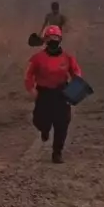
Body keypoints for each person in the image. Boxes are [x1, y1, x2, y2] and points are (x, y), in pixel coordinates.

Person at [24, 25, 82, 164]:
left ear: (60, 39)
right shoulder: (37, 58)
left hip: (61, 93)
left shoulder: (67, 57)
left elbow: (77, 73)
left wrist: (73, 92)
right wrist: (31, 89)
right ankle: (44, 130)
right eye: (50, 38)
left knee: (62, 123)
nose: (53, 40)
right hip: (43, 93)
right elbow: (28, 75)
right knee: (39, 120)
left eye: (55, 37)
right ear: (45, 40)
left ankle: (57, 153)